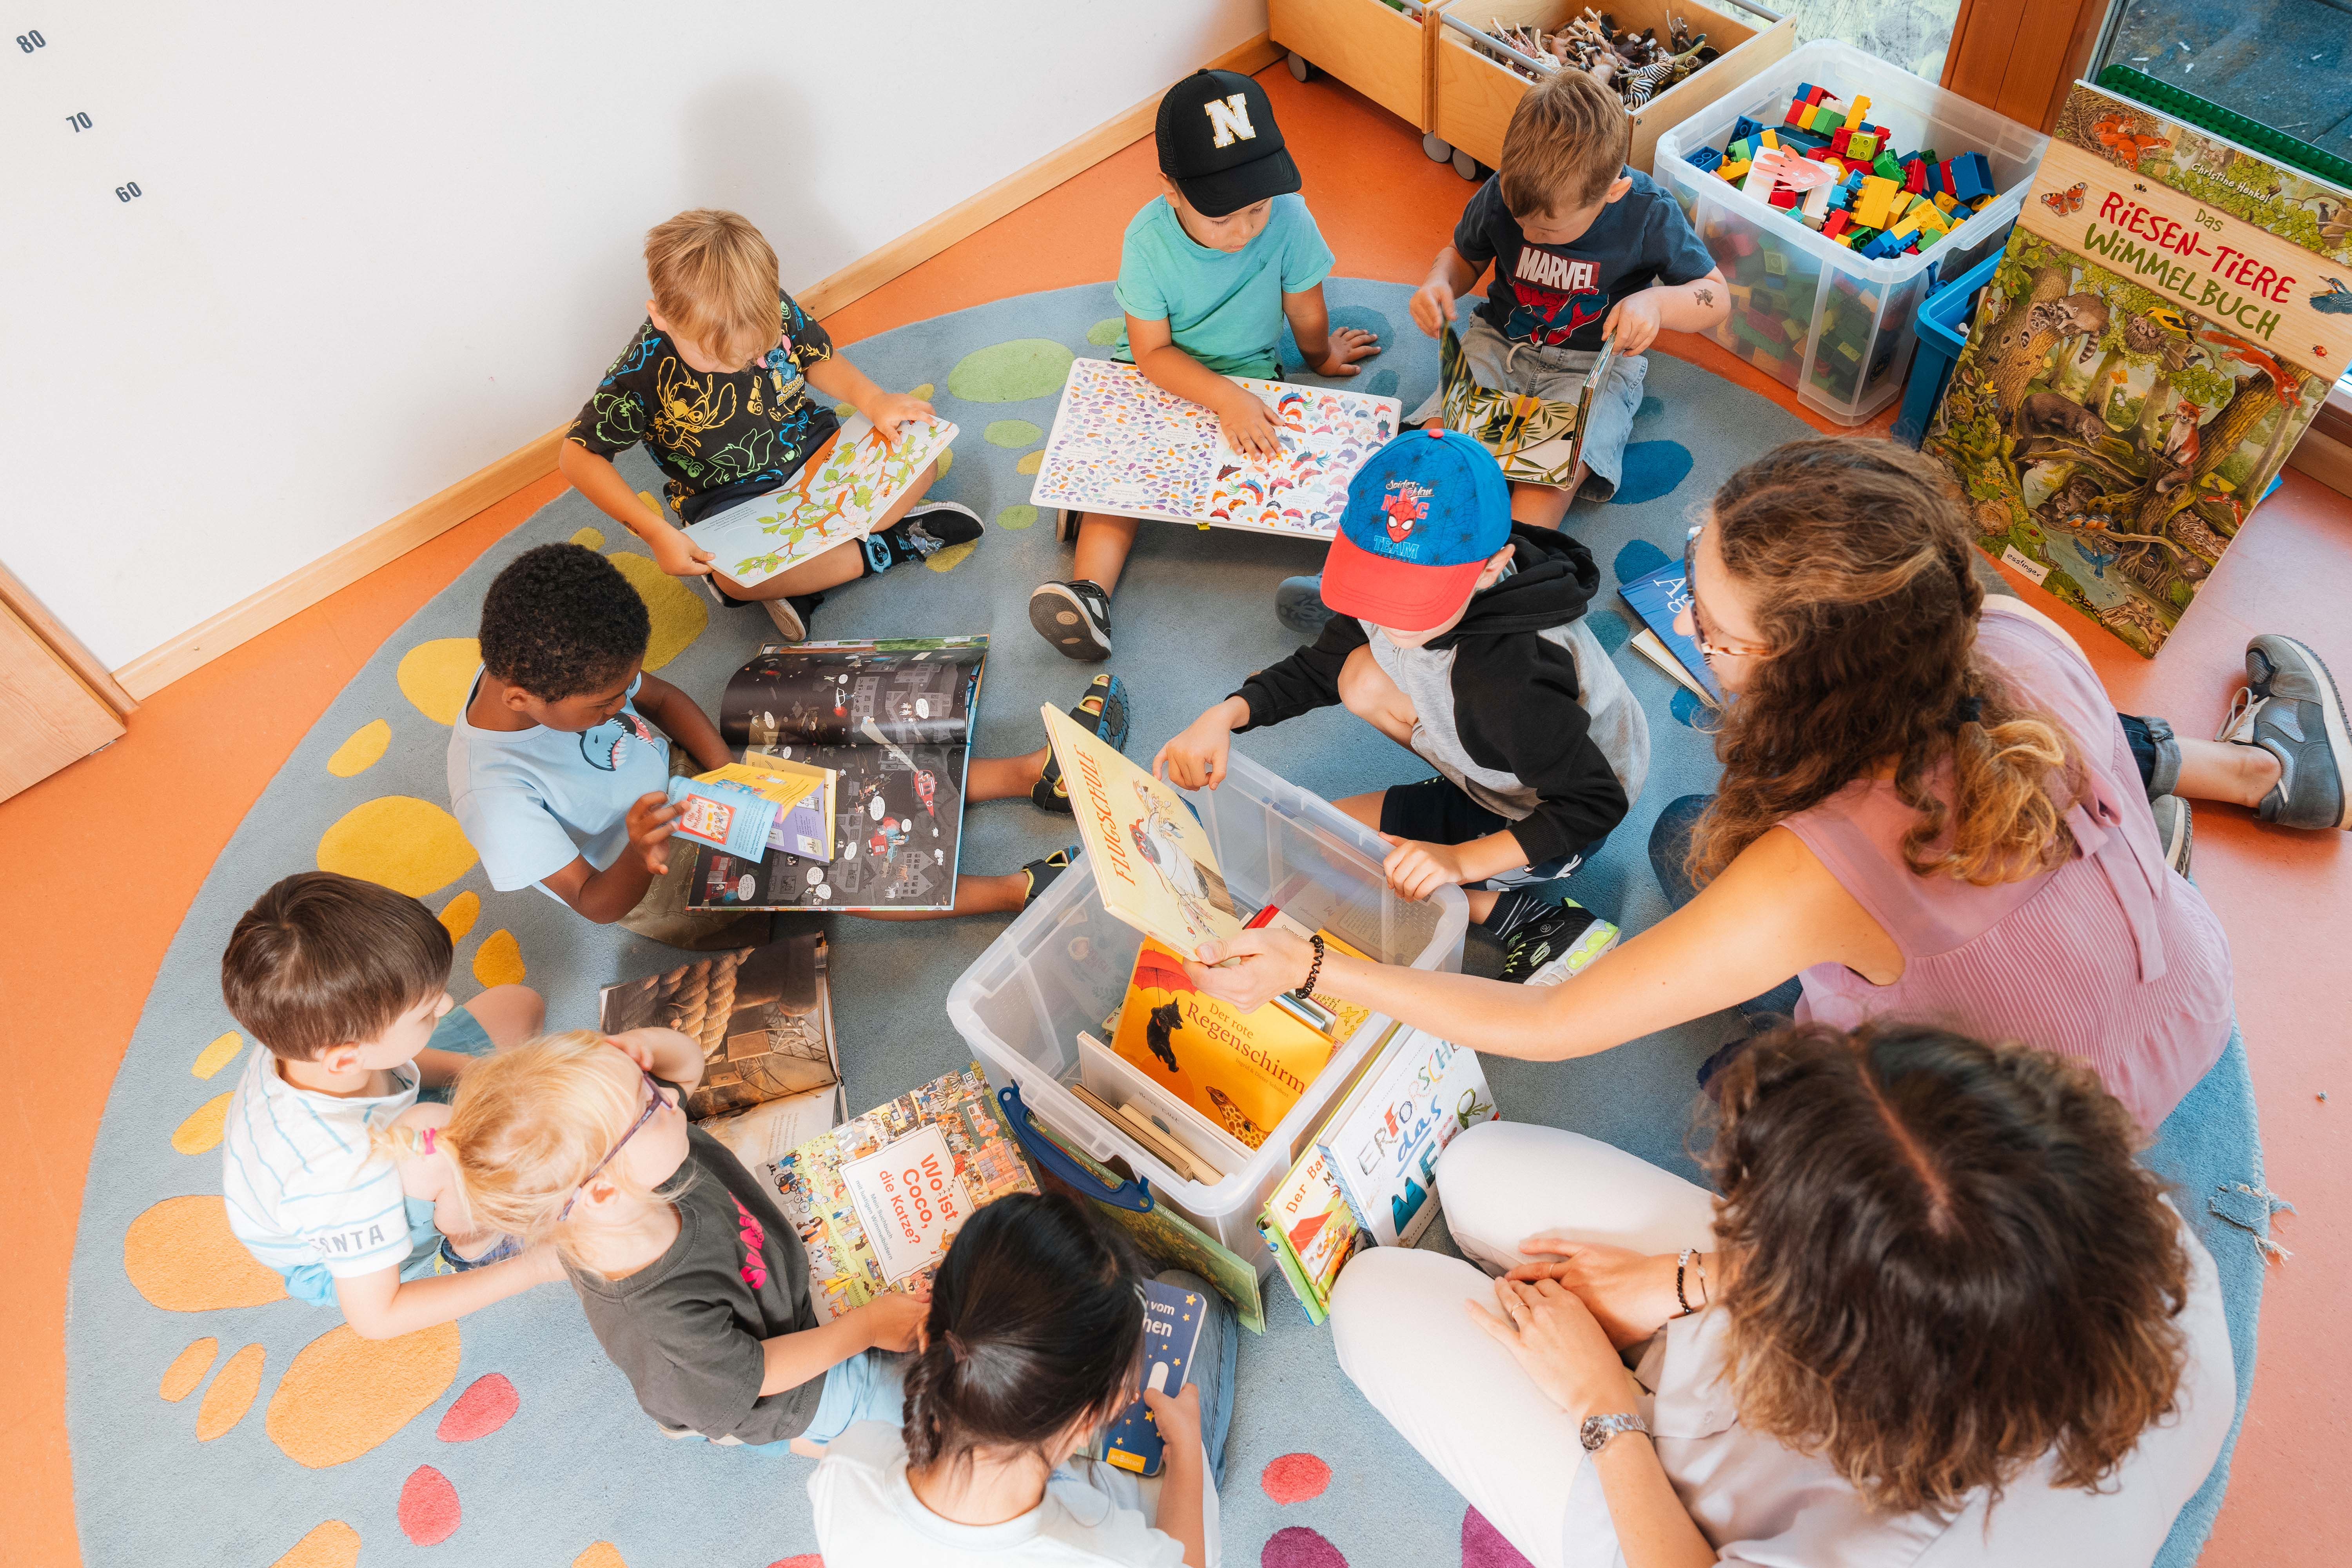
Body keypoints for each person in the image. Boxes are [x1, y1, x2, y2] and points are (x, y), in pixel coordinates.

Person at [1186, 439, 2256, 1130]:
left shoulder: (1814, 868)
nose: (1682, 632)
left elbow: (1558, 1027)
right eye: (1698, 573)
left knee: (1711, 915)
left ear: (1818, 669)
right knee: (1686, 840)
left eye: (1716, 633)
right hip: (2183, 980)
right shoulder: (2013, 630)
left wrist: (1318, 967)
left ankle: (1839, 1040)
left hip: (2041, 1130)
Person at [1329, 1019, 2233, 1568]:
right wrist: (1679, 1280)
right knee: (1475, 1165)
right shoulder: (2099, 1209)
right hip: (1874, 1368)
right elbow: (1901, 1242)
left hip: (1741, 1515)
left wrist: (1606, 1408)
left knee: (1371, 1294)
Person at [1157, 428, 1647, 981]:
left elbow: (1595, 805)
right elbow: (1320, 667)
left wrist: (1460, 863)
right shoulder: (1408, 604)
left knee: (1382, 871)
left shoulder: (1509, 683)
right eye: (1373, 584)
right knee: (1318, 838)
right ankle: (1467, 794)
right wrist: (1226, 713)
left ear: (1491, 568)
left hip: (1548, 810)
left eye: (1410, 597)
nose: (1382, 614)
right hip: (1497, 765)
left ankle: (1518, 914)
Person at [445, 544, 1110, 946]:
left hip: (686, 787)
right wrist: (643, 851)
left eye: (623, 687)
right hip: (657, 878)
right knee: (836, 864)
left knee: (829, 742)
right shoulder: (495, 798)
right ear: (520, 700)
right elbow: (594, 904)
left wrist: (733, 771)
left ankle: (1029, 775)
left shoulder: (562, 668)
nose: (623, 703)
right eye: (604, 705)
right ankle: (1013, 891)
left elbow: (665, 700)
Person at [434, 1029, 926, 1453]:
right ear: (603, 1191)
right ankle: (815, 1439)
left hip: (771, 1300)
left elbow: (686, 1066)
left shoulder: (637, 1172)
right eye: (648, 1102)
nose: (669, 1099)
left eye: (648, 1084)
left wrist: (639, 1048)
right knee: (912, 1400)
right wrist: (866, 1327)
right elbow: (756, 1375)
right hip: (765, 1389)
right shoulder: (656, 1312)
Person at [1031, 68, 1379, 661]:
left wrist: (1320, 357)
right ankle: (1089, 593)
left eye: (1257, 209)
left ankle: (1354, 589)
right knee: (1130, 479)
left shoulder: (1290, 216)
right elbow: (1151, 353)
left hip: (1249, 374)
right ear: (1172, 191)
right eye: (1222, 217)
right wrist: (1222, 399)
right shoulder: (1146, 240)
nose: (1244, 230)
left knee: (1289, 477)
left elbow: (1305, 307)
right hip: (1162, 373)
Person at [558, 208, 980, 644]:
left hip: (815, 450)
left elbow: (816, 358)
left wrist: (873, 400)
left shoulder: (766, 305)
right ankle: (889, 547)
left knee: (920, 451)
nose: (740, 365)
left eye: (753, 352)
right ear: (662, 317)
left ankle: (807, 579)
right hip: (728, 498)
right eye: (716, 358)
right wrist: (655, 532)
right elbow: (577, 457)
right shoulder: (639, 371)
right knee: (735, 582)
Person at [809, 1191, 1235, 1568]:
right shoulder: (1119, 1553)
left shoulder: (848, 1463)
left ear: (928, 1334)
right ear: (1092, 1421)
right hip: (1118, 1503)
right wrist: (1186, 1454)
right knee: (1192, 1290)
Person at [218, 872, 557, 1338]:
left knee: (519, 1006)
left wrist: (490, 1077)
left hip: (385, 1108)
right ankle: (473, 1241)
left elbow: (404, 1056)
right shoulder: (334, 1172)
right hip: (351, 1231)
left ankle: (462, 1152)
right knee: (438, 1135)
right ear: (346, 1057)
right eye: (426, 1011)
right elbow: (378, 1316)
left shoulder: (308, 1035)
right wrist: (537, 1268)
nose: (447, 1003)